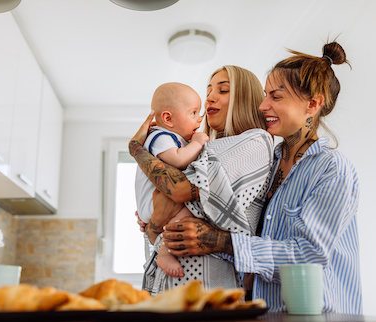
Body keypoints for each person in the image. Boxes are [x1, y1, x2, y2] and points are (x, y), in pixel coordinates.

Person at [152, 41, 362, 314]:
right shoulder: (270, 164)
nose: (263, 106)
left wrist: (221, 241)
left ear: (312, 103)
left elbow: (308, 256)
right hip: (264, 311)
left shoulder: (331, 169)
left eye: (276, 96)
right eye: (265, 95)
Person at [130, 65, 274, 295]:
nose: (210, 98)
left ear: (244, 98)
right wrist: (152, 224)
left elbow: (176, 192)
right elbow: (162, 211)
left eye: (223, 90)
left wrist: (136, 148)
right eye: (208, 91)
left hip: (204, 289)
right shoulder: (201, 149)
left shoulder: (255, 141)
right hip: (171, 286)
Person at [135, 82, 209, 278]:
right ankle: (165, 252)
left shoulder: (171, 138)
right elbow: (178, 160)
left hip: (154, 206)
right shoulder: (160, 136)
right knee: (190, 209)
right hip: (153, 204)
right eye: (193, 113)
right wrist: (197, 143)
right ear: (168, 118)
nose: (200, 119)